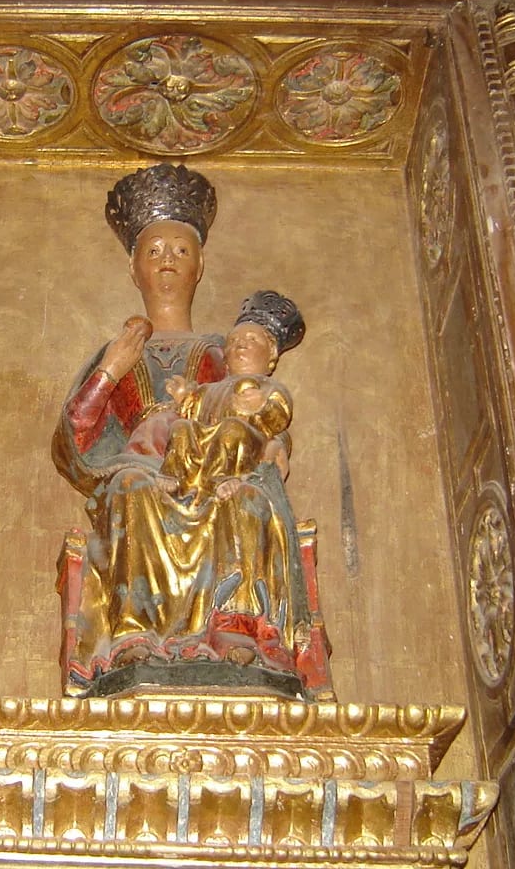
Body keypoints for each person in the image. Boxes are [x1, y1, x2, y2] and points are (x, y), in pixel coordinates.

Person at [52, 166, 331, 700]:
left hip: (213, 468)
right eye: (153, 252)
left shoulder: (220, 350)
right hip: (139, 466)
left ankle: (238, 632)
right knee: (129, 491)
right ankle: (135, 638)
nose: (167, 263)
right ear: (133, 267)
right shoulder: (119, 351)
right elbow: (75, 440)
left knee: (244, 499)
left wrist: (275, 447)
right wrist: (112, 368)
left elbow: (256, 410)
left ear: (200, 265)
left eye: (180, 252)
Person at [161, 290, 305, 506]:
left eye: (252, 339)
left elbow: (279, 416)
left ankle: (223, 479)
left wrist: (262, 403)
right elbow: (193, 409)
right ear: (225, 359)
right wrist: (185, 398)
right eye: (234, 340)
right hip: (205, 441)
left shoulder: (268, 387)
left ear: (271, 356)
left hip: (246, 443)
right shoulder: (209, 389)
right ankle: (175, 475)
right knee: (180, 427)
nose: (241, 344)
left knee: (232, 428)